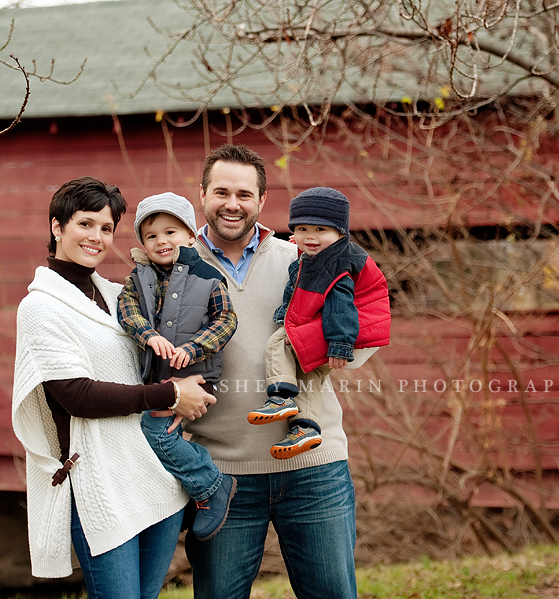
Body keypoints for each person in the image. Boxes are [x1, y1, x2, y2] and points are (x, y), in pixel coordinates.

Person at [183, 144, 382, 599]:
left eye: (244, 194)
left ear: (261, 200)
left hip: (314, 466)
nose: (232, 203)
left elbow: (367, 318)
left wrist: (320, 351)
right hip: (223, 475)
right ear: (202, 195)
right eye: (221, 192)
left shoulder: (304, 256)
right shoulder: (177, 263)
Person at [11, 177, 216, 599]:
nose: (97, 238)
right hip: (100, 485)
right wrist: (171, 395)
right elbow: (75, 394)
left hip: (155, 476)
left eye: (106, 229)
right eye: (86, 224)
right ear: (57, 226)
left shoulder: (118, 293)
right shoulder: (40, 306)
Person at [116, 192, 238, 541]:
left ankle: (210, 485)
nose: (161, 241)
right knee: (153, 435)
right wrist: (147, 335)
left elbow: (226, 320)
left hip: (195, 375)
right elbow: (128, 309)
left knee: (155, 433)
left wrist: (195, 347)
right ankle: (191, 491)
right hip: (158, 378)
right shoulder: (139, 278)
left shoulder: (208, 276)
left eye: (170, 232)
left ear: (189, 235)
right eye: (151, 236)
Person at [248, 187, 391, 459]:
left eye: (319, 230)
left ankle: (279, 397)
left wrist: (339, 344)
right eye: (302, 229)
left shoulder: (336, 265)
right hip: (329, 330)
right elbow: (308, 258)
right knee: (309, 373)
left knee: (279, 343)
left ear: (340, 233)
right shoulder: (320, 254)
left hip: (339, 331)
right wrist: (304, 245)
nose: (310, 237)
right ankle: (305, 428)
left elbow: (341, 306)